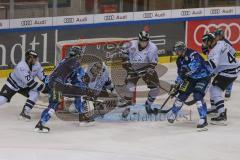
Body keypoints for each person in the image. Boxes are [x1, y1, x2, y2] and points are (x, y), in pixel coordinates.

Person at [34, 46, 88, 133]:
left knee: (53, 105)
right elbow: (77, 80)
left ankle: (40, 124)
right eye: (80, 55)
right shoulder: (76, 64)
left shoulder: (64, 60)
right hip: (58, 85)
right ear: (77, 55)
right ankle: (83, 118)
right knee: (79, 93)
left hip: (52, 82)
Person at [167, 41, 212, 129]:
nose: (176, 53)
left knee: (197, 96)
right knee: (182, 95)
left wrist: (185, 71)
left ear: (182, 49)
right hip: (191, 78)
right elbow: (181, 74)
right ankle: (174, 113)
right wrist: (176, 86)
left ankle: (203, 118)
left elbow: (195, 65)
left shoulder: (193, 54)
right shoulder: (179, 60)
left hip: (203, 77)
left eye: (177, 50)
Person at [202, 32, 239, 124]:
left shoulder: (214, 51)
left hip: (228, 72)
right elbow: (234, 53)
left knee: (215, 90)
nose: (204, 44)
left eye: (206, 42)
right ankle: (215, 108)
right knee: (212, 88)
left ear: (210, 41)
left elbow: (213, 65)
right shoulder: (222, 42)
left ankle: (222, 114)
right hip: (233, 68)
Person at [121, 30, 160, 116]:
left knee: (155, 88)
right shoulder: (131, 44)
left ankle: (148, 105)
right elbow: (123, 53)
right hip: (133, 67)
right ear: (139, 40)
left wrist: (149, 70)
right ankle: (127, 107)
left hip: (146, 67)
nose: (144, 43)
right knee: (129, 87)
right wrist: (127, 64)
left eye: (146, 41)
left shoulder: (153, 47)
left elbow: (153, 63)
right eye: (142, 41)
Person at [0, 50, 47, 120]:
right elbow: (31, 83)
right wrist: (44, 89)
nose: (36, 60)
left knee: (35, 93)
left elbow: (43, 77)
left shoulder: (37, 65)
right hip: (13, 84)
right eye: (35, 58)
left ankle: (25, 112)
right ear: (30, 58)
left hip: (25, 86)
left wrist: (51, 82)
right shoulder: (21, 67)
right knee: (3, 99)